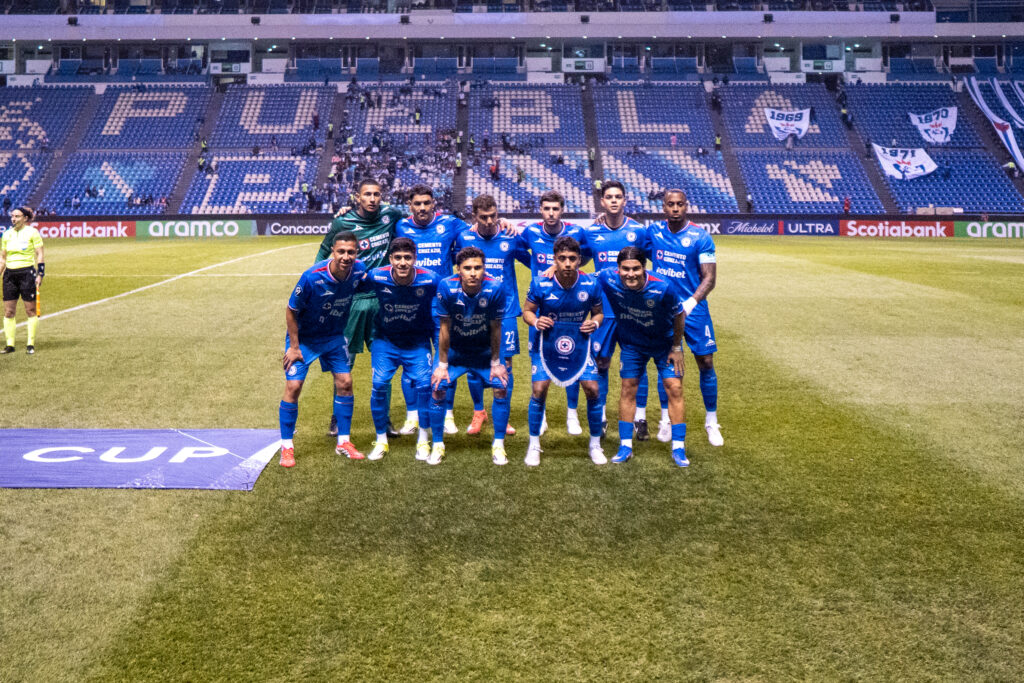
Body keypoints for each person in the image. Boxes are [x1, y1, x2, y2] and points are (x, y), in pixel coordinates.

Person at [316, 178, 408, 437]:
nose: (372, 199)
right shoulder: (343, 222)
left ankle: (385, 420)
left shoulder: (391, 214)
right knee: (344, 363)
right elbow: (323, 253)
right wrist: (323, 288)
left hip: (382, 300)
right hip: (351, 303)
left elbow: (413, 218)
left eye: (377, 194)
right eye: (367, 194)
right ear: (357, 197)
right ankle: (337, 419)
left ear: (382, 196)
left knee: (385, 363)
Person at [278, 231, 369, 468]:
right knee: (294, 386)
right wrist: (294, 347)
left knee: (345, 382)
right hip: (305, 339)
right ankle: (286, 447)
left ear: (356, 252)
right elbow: (291, 310)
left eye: (351, 252)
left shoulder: (360, 270)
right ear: (333, 251)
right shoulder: (312, 277)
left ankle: (344, 442)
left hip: (333, 337)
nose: (346, 257)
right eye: (341, 251)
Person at [596, 247, 690, 467]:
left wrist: (676, 347)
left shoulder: (663, 286)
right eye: (625, 269)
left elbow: (679, 315)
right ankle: (625, 445)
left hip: (664, 343)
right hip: (632, 343)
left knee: (674, 387)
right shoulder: (606, 277)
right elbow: (580, 278)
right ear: (617, 269)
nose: (631, 274)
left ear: (644, 268)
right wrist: (553, 266)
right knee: (628, 387)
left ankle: (679, 448)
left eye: (636, 269)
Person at [647, 190, 724, 447]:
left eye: (680, 204)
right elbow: (626, 233)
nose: (676, 208)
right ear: (664, 208)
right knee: (665, 363)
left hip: (694, 309)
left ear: (686, 206)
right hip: (663, 309)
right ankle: (666, 420)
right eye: (671, 204)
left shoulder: (700, 237)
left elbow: (709, 278)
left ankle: (711, 421)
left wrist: (690, 303)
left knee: (705, 360)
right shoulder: (654, 233)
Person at [522, 236, 605, 466]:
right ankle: (534, 444)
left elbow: (599, 312)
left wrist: (595, 323)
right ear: (554, 260)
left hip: (579, 343)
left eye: (572, 258)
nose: (567, 263)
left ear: (579, 260)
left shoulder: (590, 284)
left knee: (592, 388)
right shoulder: (541, 283)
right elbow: (527, 310)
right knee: (539, 389)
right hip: (546, 342)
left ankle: (595, 444)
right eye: (562, 258)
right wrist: (536, 321)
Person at [582, 180, 652, 439]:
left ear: (625, 201)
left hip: (634, 310)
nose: (613, 200)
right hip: (603, 310)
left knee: (637, 365)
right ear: (602, 201)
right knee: (601, 362)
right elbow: (571, 255)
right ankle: (600, 417)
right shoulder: (591, 232)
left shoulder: (639, 231)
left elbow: (657, 260)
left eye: (618, 196)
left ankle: (640, 418)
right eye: (609, 196)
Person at [429, 246, 511, 466]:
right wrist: (442, 364)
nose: (473, 272)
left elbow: (496, 328)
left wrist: (496, 362)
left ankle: (499, 445)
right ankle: (437, 444)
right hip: (456, 351)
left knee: (501, 386)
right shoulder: (446, 287)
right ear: (459, 270)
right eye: (468, 268)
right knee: (438, 388)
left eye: (478, 267)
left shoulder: (495, 288)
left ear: (484, 268)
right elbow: (444, 328)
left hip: (484, 351)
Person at [519, 190, 592, 436]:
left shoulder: (576, 232)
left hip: (569, 299)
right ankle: (543, 415)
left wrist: (560, 265)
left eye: (555, 209)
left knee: (572, 354)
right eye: (546, 209)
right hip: (541, 302)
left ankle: (572, 413)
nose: (551, 213)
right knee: (539, 356)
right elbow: (519, 251)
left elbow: (587, 252)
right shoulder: (530, 232)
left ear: (562, 209)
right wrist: (539, 270)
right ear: (541, 210)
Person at [453, 194, 524, 437]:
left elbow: (536, 256)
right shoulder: (464, 237)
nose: (489, 221)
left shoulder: (510, 236)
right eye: (483, 217)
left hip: (505, 310)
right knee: (474, 364)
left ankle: (503, 417)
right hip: (473, 310)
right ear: (474, 217)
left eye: (493, 215)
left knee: (506, 364)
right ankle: (479, 411)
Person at [364, 238, 441, 461]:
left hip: (417, 342)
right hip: (385, 341)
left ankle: (424, 439)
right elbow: (352, 281)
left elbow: (449, 291)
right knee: (378, 385)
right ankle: (380, 440)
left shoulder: (430, 279)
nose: (403, 262)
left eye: (408, 258)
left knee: (425, 386)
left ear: (415, 259)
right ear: (391, 260)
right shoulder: (377, 276)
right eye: (398, 258)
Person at [1, 207, 44, 355]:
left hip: (27, 274)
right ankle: (10, 345)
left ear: (25, 218)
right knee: (8, 311)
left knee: (30, 310)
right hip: (9, 275)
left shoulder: (32, 232)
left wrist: (40, 274)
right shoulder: (6, 235)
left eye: (17, 216)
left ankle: (30, 344)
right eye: (12, 216)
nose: (13, 219)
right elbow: (3, 259)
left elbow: (39, 255)